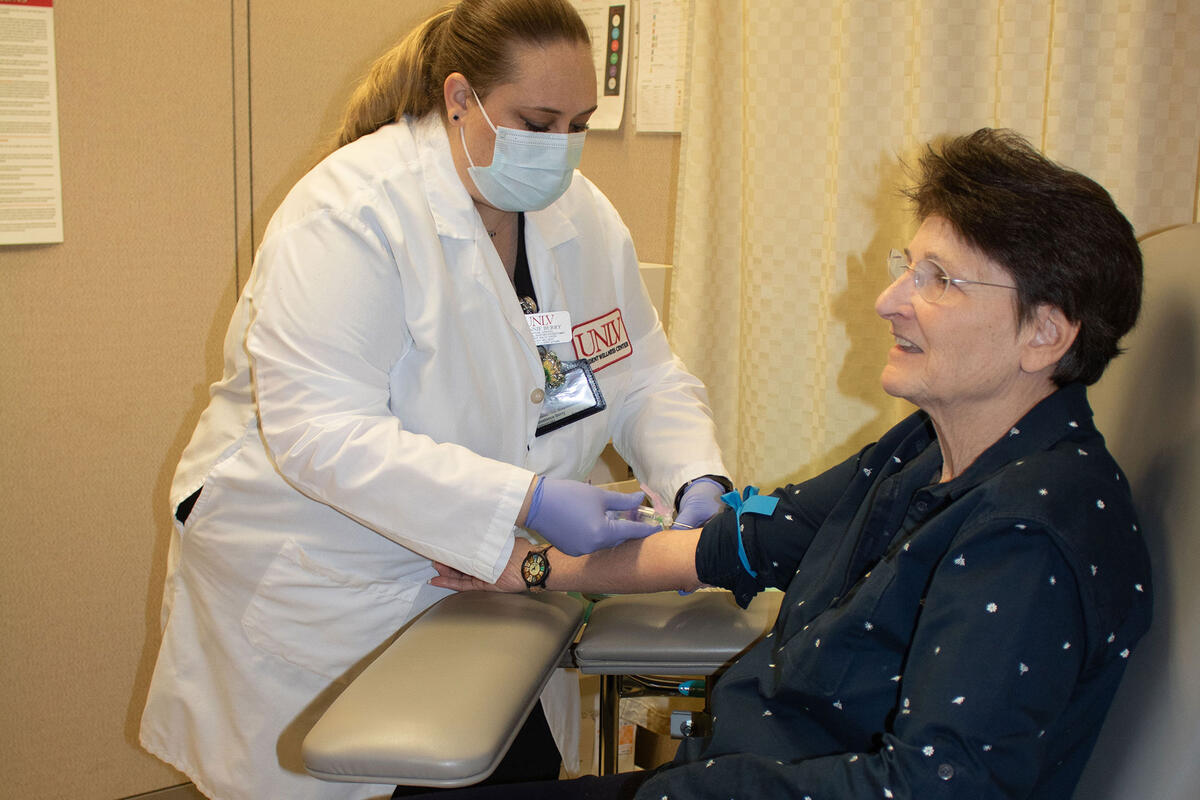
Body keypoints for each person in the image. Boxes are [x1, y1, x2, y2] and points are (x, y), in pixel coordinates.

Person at [429, 128, 1153, 800]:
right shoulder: (926, 452)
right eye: (910, 267)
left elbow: (929, 788)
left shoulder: (1027, 536)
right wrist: (531, 568)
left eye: (939, 280)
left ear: (1046, 333)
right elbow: (738, 543)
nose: (888, 301)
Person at [139, 2, 731, 798]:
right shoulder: (352, 212)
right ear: (460, 98)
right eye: (537, 120)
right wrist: (526, 497)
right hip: (331, 568)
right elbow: (322, 433)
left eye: (578, 123)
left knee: (499, 763)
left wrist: (697, 476)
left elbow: (640, 375)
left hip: (496, 578)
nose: (560, 150)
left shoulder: (576, 216)